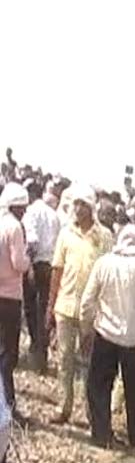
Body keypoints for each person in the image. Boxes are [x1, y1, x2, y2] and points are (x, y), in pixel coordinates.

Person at [80, 224, 135, 450]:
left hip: (106, 334)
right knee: (134, 390)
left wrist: (86, 328)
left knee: (99, 385)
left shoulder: (104, 262)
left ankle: (101, 434)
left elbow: (87, 301)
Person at [46, 185, 114, 425]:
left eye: (81, 205)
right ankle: (63, 408)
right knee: (64, 360)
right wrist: (50, 307)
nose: (76, 209)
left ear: (90, 208)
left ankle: (90, 412)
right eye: (74, 204)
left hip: (91, 313)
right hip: (65, 306)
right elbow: (57, 271)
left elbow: (108, 275)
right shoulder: (65, 234)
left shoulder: (104, 237)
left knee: (89, 364)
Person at [21, 179, 60, 373]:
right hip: (51, 266)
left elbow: (32, 241)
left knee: (32, 310)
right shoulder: (53, 214)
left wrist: (28, 265)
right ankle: (41, 357)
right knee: (45, 311)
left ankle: (36, 354)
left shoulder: (31, 212)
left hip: (37, 265)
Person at [0, 184, 31, 424]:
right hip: (10, 297)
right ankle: (7, 406)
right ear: (17, 206)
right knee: (9, 354)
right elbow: (18, 263)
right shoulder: (14, 228)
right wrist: (28, 257)